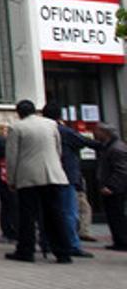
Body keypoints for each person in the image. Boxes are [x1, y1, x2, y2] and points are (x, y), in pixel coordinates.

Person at [4, 100, 71, 263]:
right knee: (55, 214)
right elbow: (58, 149)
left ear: (19, 112)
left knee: (27, 216)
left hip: (28, 176)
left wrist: (11, 179)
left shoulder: (17, 127)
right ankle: (63, 252)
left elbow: (12, 157)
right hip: (52, 174)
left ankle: (26, 251)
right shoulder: (51, 124)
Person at [42, 103, 97, 258]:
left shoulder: (44, 130)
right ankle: (71, 244)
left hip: (47, 176)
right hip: (65, 176)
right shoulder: (63, 131)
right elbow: (85, 142)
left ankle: (47, 242)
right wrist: (105, 143)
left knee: (49, 211)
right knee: (68, 212)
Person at [93, 123, 127, 251]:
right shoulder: (108, 147)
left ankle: (122, 241)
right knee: (113, 215)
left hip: (116, 189)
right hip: (112, 187)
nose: (95, 133)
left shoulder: (116, 148)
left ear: (104, 132)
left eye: (97, 131)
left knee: (117, 215)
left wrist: (111, 186)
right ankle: (119, 240)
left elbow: (122, 170)